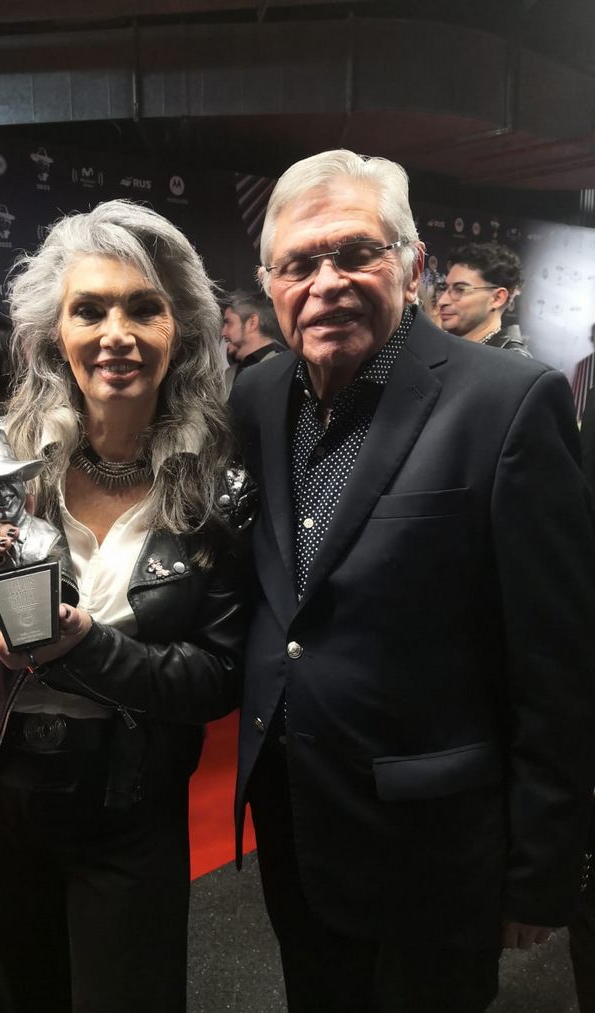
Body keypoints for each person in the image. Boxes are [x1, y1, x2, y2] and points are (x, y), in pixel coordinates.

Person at [230, 148, 595, 1013]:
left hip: (434, 845)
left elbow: (559, 659)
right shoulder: (256, 393)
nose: (326, 281)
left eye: (356, 252)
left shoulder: (509, 401)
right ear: (268, 281)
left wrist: (539, 869)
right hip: (293, 821)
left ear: (414, 264)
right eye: (299, 262)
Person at [0, 200, 253, 1013]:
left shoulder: (217, 480)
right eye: (88, 309)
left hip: (129, 809)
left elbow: (217, 678)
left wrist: (84, 648)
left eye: (143, 307)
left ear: (182, 329)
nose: (114, 333)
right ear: (55, 330)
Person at [436, 241, 531, 356]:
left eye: (460, 289)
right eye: (445, 288)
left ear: (497, 298)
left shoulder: (512, 364)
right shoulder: (439, 350)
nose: (442, 301)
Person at [221, 288, 284, 392]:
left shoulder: (287, 369)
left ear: (252, 322)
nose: (223, 333)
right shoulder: (228, 376)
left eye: (229, 323)